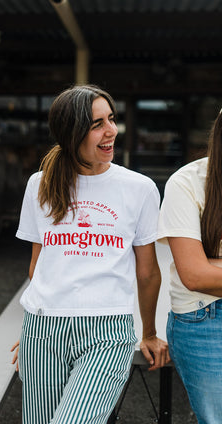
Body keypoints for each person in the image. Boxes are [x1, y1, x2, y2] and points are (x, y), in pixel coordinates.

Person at [12, 84, 169, 424]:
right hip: (42, 330)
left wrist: (149, 332)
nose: (111, 130)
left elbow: (148, 272)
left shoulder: (139, 188)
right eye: (97, 124)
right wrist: (32, 328)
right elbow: (38, 263)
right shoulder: (39, 184)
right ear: (71, 134)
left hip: (106, 331)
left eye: (111, 119)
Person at [158, 109, 222, 424]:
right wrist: (202, 265)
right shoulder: (187, 182)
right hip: (204, 316)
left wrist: (211, 264)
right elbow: (194, 274)